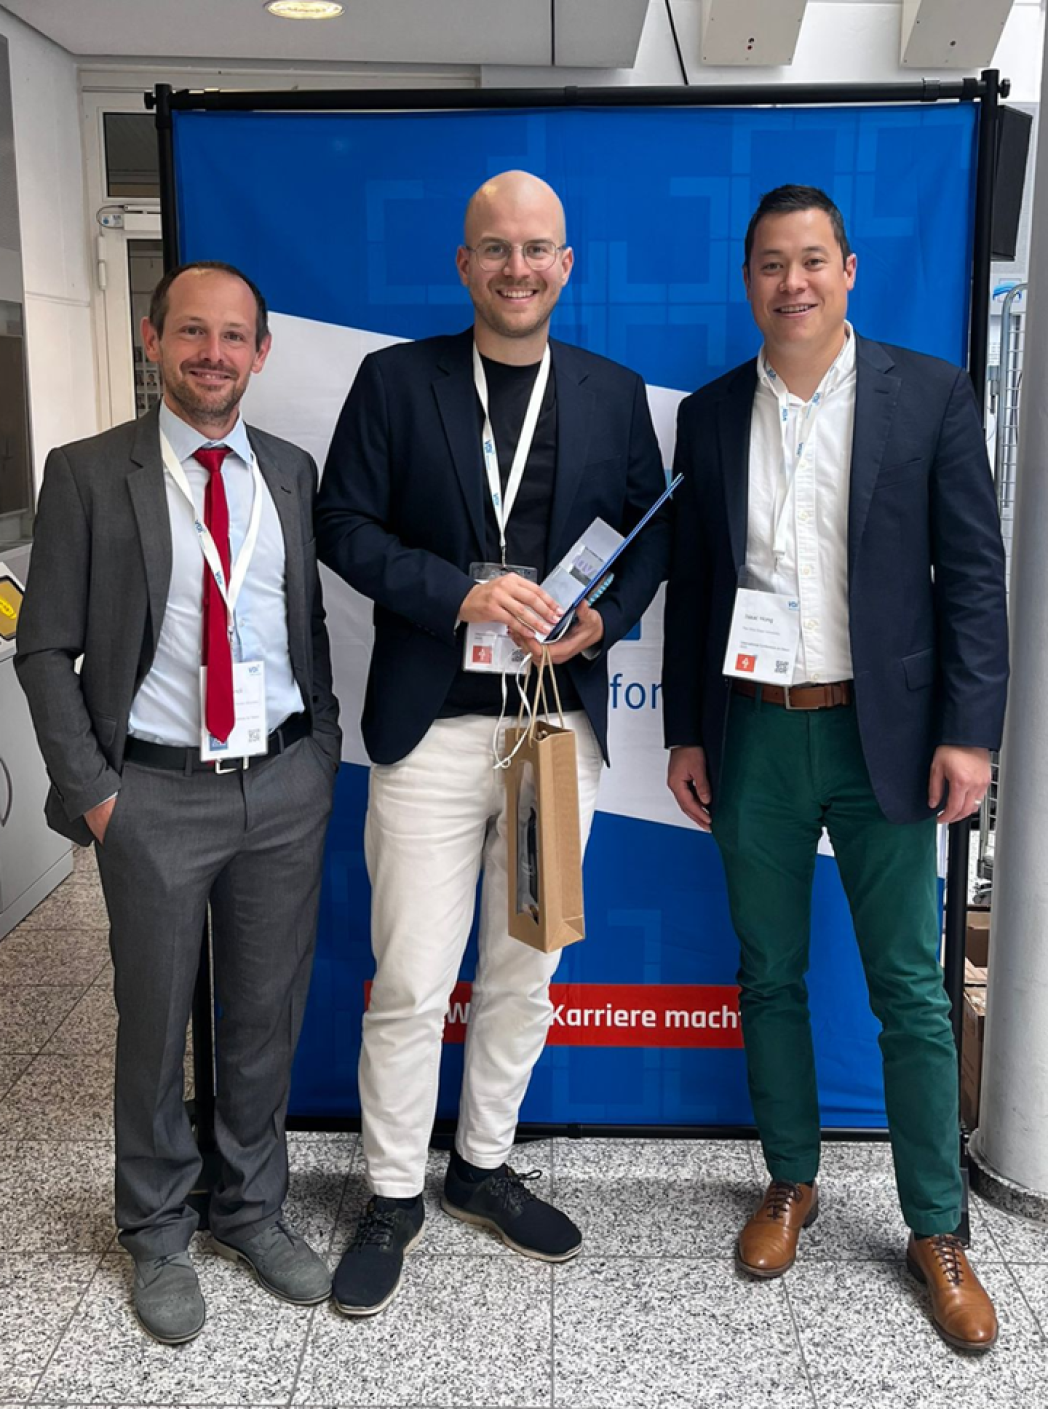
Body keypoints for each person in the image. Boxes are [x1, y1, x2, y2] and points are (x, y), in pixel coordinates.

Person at [662, 186, 1008, 1353]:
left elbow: (970, 573)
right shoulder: (708, 414)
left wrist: (972, 732)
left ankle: (936, 1227)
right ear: (747, 277)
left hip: (889, 737)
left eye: (812, 261)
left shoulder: (929, 395)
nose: (792, 282)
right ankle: (790, 1180)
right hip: (754, 729)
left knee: (908, 986)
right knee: (768, 972)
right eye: (770, 263)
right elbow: (698, 586)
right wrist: (685, 730)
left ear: (849, 270)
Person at [317, 170, 668, 1316]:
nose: (516, 268)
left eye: (537, 249)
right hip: (426, 733)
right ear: (464, 264)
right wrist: (453, 597)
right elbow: (342, 525)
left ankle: (479, 1165)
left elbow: (655, 537)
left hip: (548, 734)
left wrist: (605, 618)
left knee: (525, 969)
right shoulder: (393, 380)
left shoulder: (615, 395)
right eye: (495, 249)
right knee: (413, 976)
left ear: (567, 265)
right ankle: (389, 1190)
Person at [16, 261, 342, 1345]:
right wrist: (95, 797)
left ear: (261, 350)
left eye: (233, 336)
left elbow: (307, 627)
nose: (213, 353)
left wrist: (321, 748)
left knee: (262, 1017)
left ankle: (250, 1206)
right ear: (153, 341)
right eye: (191, 332)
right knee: (155, 1022)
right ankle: (155, 1226)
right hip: (150, 792)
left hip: (284, 785)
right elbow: (44, 645)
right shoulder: (86, 471)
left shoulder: (290, 472)